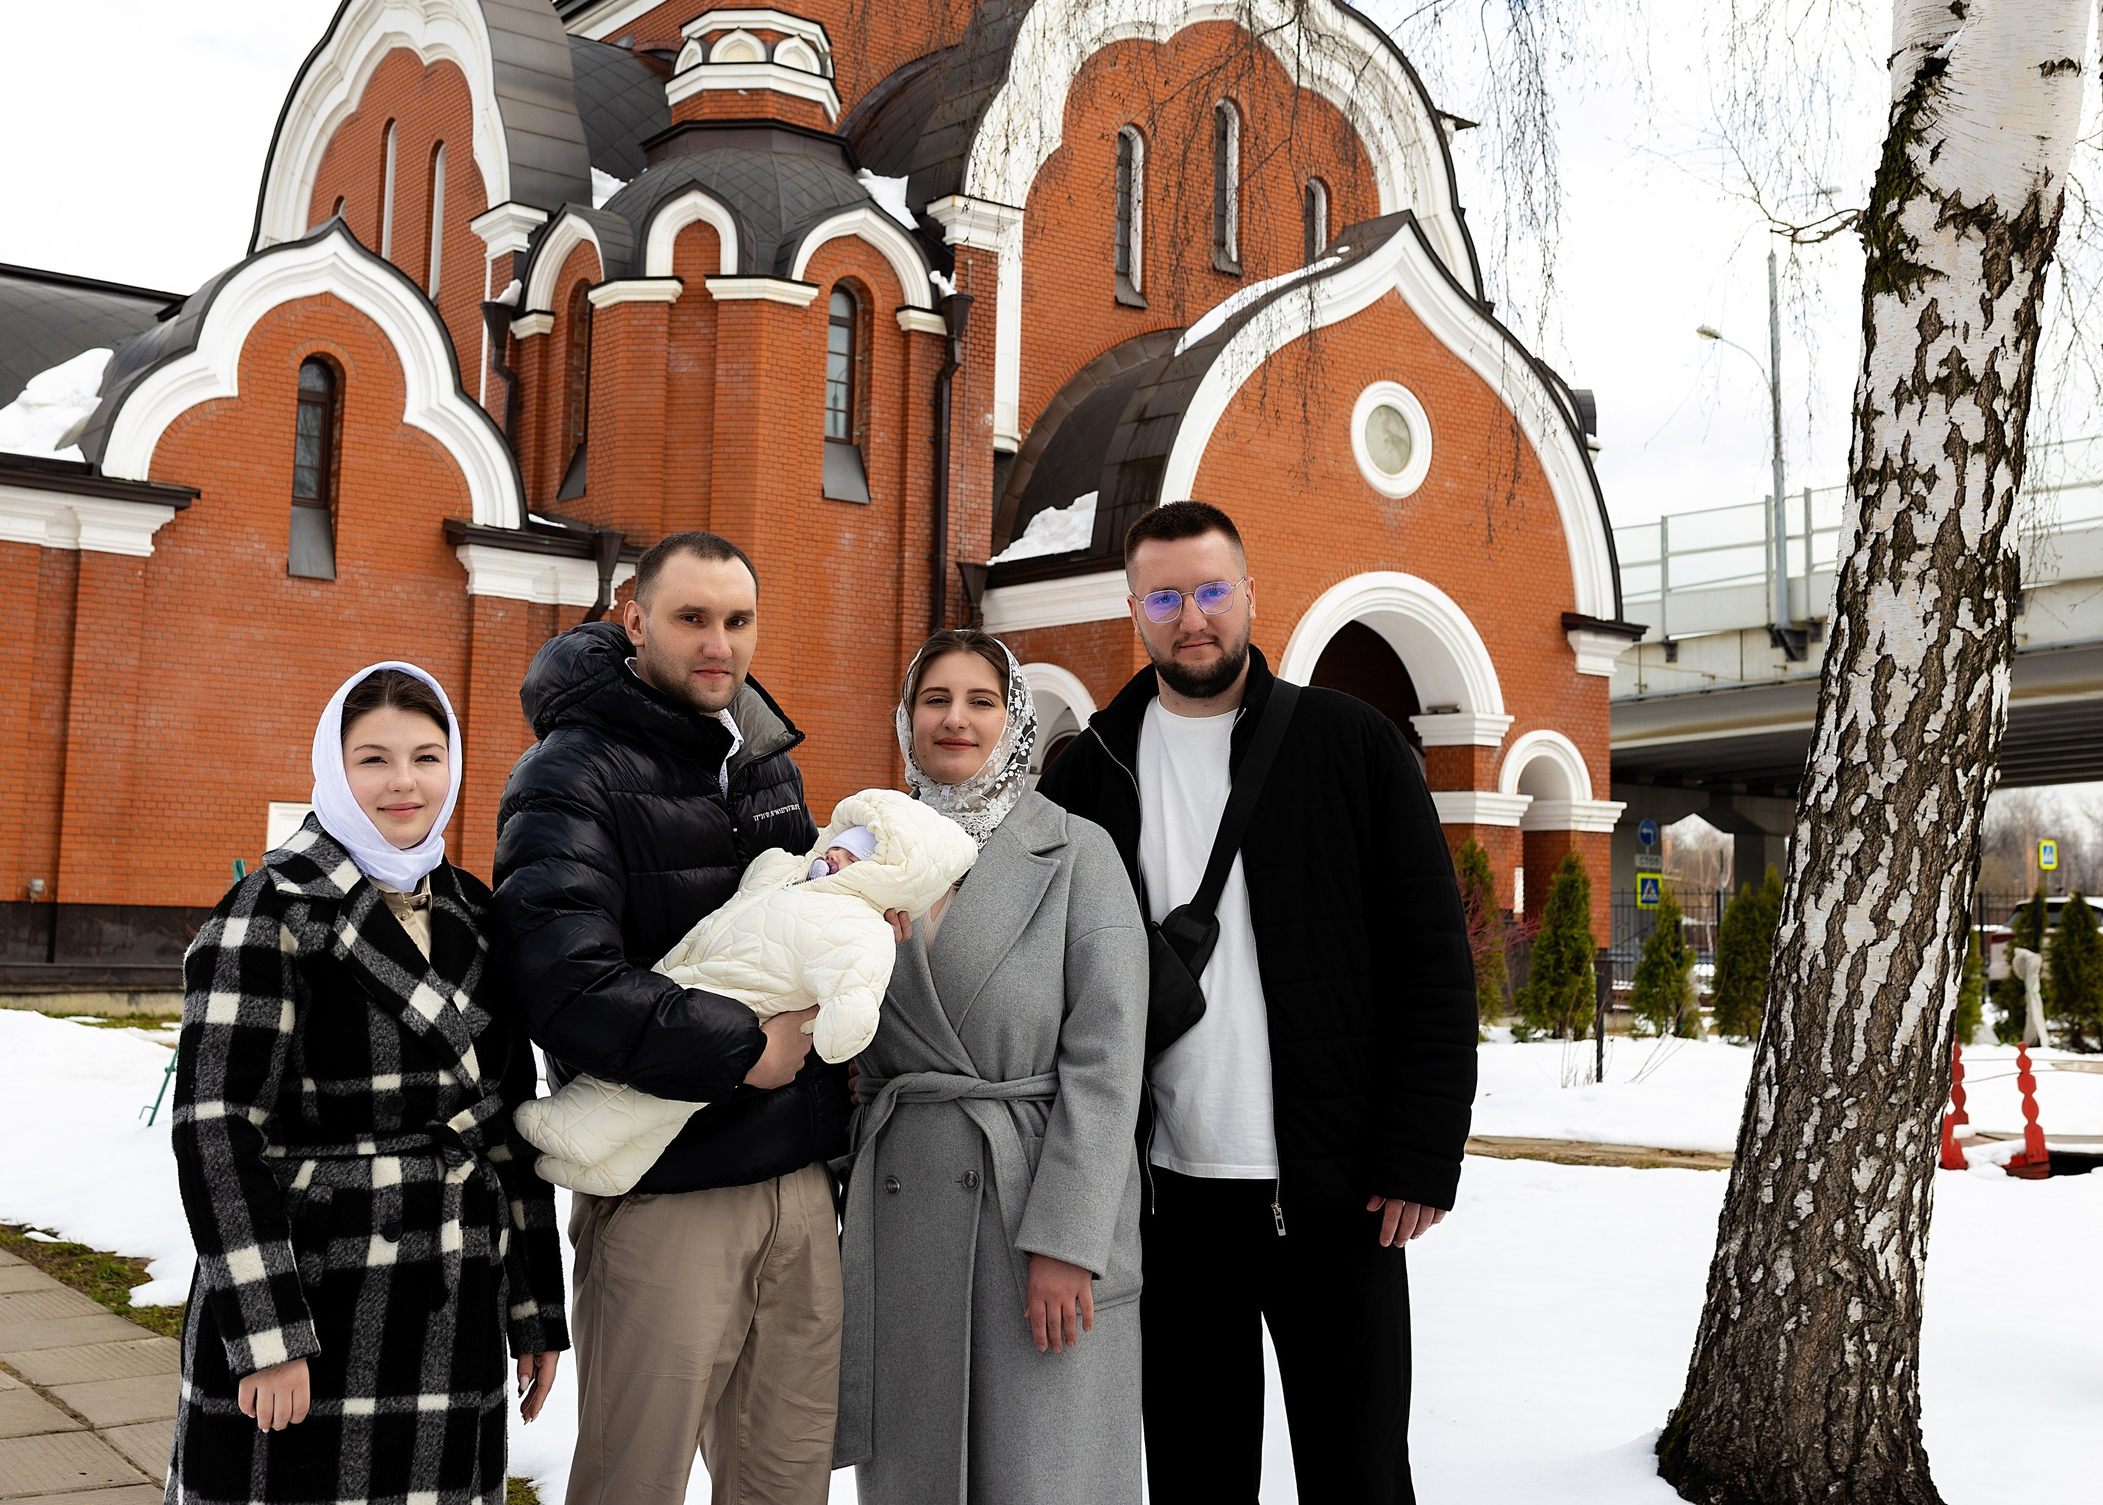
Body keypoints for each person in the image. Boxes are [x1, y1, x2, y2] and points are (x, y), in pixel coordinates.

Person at [1036, 500, 1478, 1505]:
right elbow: (1036, 967)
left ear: (1248, 595)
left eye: (1208, 591)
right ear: (1133, 612)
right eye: (1163, 596)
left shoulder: (1351, 745)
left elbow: (1432, 961)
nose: (1190, 617)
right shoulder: (1087, 771)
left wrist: (1419, 1150)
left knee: (1359, 1471)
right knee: (1195, 1473)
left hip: (1337, 1194)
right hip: (1165, 1199)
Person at [493, 530, 842, 1505]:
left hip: (798, 1190)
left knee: (785, 1487)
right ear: (634, 619)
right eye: (692, 618)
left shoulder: (767, 759)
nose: (718, 643)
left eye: (736, 620)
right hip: (665, 1192)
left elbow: (782, 922)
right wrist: (743, 1053)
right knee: (632, 1485)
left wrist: (844, 892)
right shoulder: (569, 774)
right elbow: (561, 984)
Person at [167, 662, 565, 1505]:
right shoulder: (267, 910)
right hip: (314, 1295)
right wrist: (269, 1333)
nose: (404, 782)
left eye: (427, 756)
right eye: (373, 759)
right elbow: (216, 1129)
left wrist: (534, 1311)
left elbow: (505, 1124)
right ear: (333, 769)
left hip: (449, 1296)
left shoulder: (474, 912)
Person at [835, 630, 1149, 1505]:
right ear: (906, 717)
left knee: (1042, 1474)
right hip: (905, 1216)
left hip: (1034, 1214)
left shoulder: (1078, 851)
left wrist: (1067, 1238)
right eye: (935, 699)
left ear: (1012, 720)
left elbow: (1107, 1058)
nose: (956, 720)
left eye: (981, 700)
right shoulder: (863, 851)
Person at [514, 789, 975, 1197]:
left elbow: (856, 990)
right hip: (692, 978)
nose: (836, 860)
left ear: (883, 877)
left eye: (855, 860)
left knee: (655, 1096)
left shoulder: (861, 926)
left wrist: (838, 1029)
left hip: (747, 1009)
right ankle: (618, 1168)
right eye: (838, 847)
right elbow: (761, 877)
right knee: (670, 1090)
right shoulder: (794, 876)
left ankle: (573, 1128)